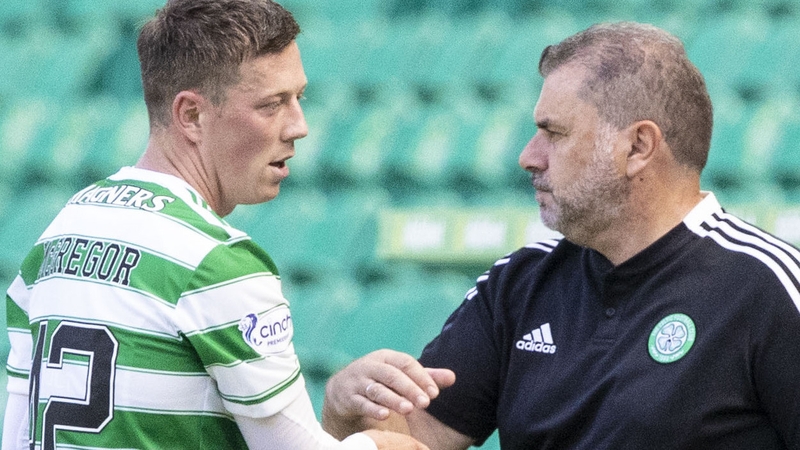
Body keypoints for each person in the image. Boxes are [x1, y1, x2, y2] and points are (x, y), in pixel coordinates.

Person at [321, 22, 800, 449]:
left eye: (554, 133)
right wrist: (345, 412)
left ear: (638, 146)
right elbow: (414, 441)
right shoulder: (519, 283)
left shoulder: (767, 287)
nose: (528, 156)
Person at [1, 1, 452, 449]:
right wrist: (383, 445)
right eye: (272, 105)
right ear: (191, 115)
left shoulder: (58, 236)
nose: (299, 126)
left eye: (300, 98)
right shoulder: (215, 261)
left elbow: (17, 433)